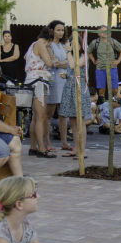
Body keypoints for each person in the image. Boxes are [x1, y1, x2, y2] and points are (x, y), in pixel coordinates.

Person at [59, 37, 92, 159]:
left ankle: (82, 151)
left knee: (80, 120)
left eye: (75, 44)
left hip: (79, 88)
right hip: (69, 87)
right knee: (73, 120)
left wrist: (67, 52)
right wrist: (66, 76)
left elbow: (73, 66)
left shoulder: (84, 56)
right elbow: (70, 70)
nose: (72, 46)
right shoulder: (72, 55)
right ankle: (76, 149)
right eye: (71, 44)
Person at [25, 27, 55, 158]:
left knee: (36, 117)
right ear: (49, 40)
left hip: (30, 80)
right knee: (41, 117)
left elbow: (25, 56)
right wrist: (55, 60)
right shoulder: (40, 44)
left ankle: (33, 147)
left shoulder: (32, 44)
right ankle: (42, 149)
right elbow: (49, 62)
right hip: (38, 82)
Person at [46, 20, 69, 152]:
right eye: (58, 30)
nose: (61, 32)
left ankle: (64, 142)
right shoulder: (49, 45)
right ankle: (48, 143)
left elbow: (68, 62)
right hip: (53, 81)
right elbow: (53, 63)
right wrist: (61, 63)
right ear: (52, 30)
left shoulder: (64, 45)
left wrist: (59, 63)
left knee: (63, 114)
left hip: (64, 80)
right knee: (49, 114)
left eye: (62, 30)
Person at [87, 25, 121, 103]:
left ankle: (115, 107)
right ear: (98, 34)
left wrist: (118, 60)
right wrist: (94, 61)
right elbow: (88, 51)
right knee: (101, 90)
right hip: (100, 69)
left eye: (106, 31)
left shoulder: (113, 41)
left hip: (112, 68)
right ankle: (102, 108)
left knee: (115, 89)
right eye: (102, 31)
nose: (105, 33)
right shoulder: (95, 42)